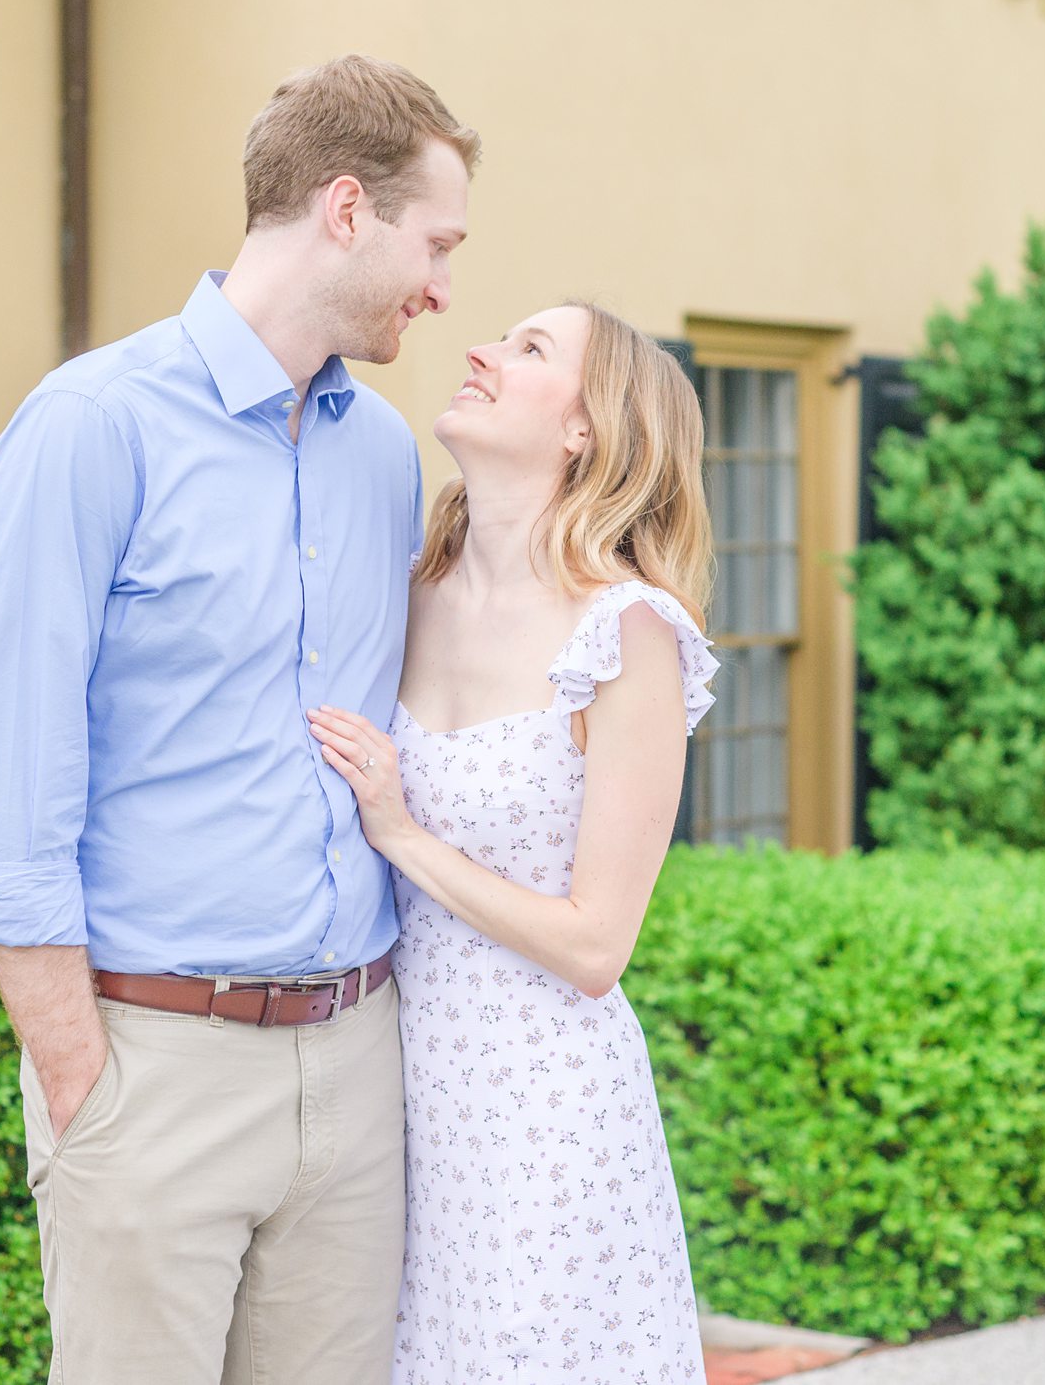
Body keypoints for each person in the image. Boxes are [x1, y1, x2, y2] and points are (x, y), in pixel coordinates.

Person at [0, 53, 477, 1385]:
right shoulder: (90, 427)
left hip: (356, 1069)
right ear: (346, 210)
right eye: (437, 243)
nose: (446, 289)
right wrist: (79, 1076)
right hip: (151, 1067)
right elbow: (6, 775)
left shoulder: (383, 455)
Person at [308, 300, 719, 1384]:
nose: (483, 351)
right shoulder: (407, 587)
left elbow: (596, 948)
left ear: (586, 428)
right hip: (390, 1094)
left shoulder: (625, 633)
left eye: (530, 349)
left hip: (544, 1119)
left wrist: (403, 834)